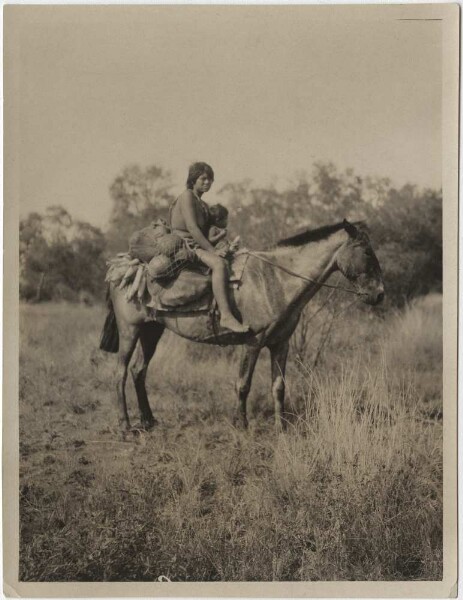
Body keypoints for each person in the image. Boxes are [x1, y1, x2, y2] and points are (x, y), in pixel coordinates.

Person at [169, 162, 249, 333]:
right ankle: (226, 316)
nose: (208, 182)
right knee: (219, 264)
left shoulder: (203, 204)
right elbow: (192, 228)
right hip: (186, 245)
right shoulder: (187, 197)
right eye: (203, 178)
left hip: (198, 244)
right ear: (193, 179)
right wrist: (213, 252)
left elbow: (207, 233)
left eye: (210, 179)